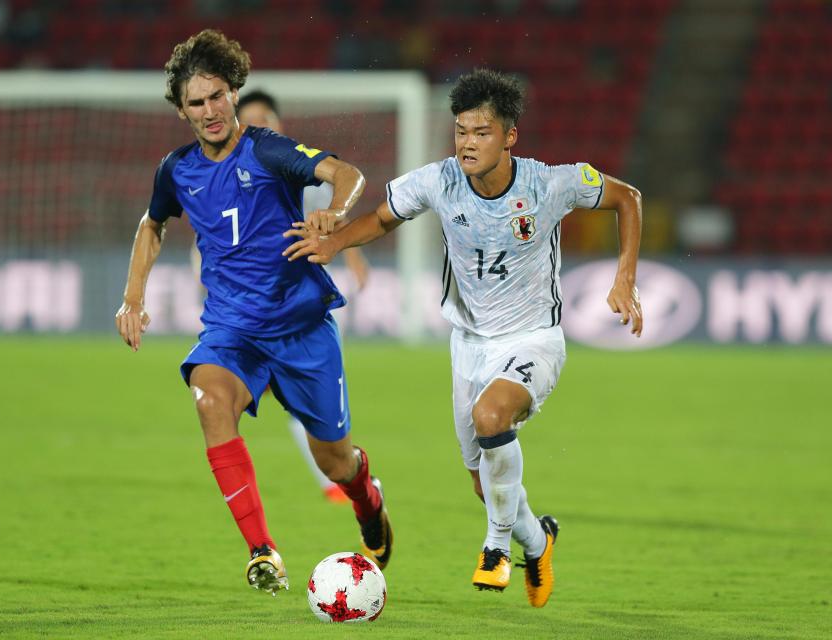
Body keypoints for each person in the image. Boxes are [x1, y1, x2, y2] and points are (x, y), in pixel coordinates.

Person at [284, 68, 643, 608]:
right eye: (461, 132)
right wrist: (336, 244)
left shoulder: (552, 183)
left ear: (509, 136)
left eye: (481, 132)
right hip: (468, 345)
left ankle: (496, 547)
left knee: (492, 419)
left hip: (533, 338)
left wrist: (624, 277)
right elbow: (382, 219)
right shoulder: (439, 180)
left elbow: (628, 198)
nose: (468, 143)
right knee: (485, 482)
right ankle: (535, 540)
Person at [114, 29, 393, 595]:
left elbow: (347, 175)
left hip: (300, 329)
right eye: (197, 102)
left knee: (336, 462)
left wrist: (336, 214)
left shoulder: (267, 149)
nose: (210, 110)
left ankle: (368, 503)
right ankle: (262, 550)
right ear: (181, 110)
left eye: (217, 95)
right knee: (208, 397)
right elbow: (153, 223)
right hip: (233, 331)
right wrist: (133, 295)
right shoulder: (176, 170)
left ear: (234, 91)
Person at [205, 88, 371, 504]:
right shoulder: (223, 179)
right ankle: (328, 484)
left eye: (266, 119)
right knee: (223, 398)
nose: (258, 126)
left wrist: (351, 257)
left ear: (279, 126)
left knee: (301, 404)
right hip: (248, 314)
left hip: (302, 307)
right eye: (251, 119)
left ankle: (342, 478)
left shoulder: (299, 170)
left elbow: (336, 218)